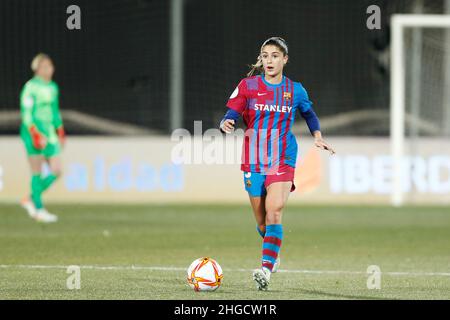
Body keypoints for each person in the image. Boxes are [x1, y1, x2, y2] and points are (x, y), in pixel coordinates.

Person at [220, 37, 335, 290]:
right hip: (253, 158)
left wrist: (317, 136)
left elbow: (309, 113)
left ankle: (265, 269)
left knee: (275, 211)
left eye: (274, 55)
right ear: (260, 59)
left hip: (283, 157)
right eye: (265, 55)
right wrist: (226, 122)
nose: (269, 60)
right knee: (262, 223)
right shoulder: (248, 85)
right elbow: (232, 112)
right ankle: (273, 252)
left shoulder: (296, 90)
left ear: (285, 59)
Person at [19, 53, 65, 223]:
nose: (50, 69)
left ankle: (30, 198)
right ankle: (38, 209)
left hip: (50, 134)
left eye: (51, 66)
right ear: (37, 69)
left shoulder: (53, 87)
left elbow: (55, 111)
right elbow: (26, 114)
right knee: (36, 172)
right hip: (33, 134)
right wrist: (35, 133)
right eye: (46, 66)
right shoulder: (30, 88)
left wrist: (59, 130)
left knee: (57, 170)